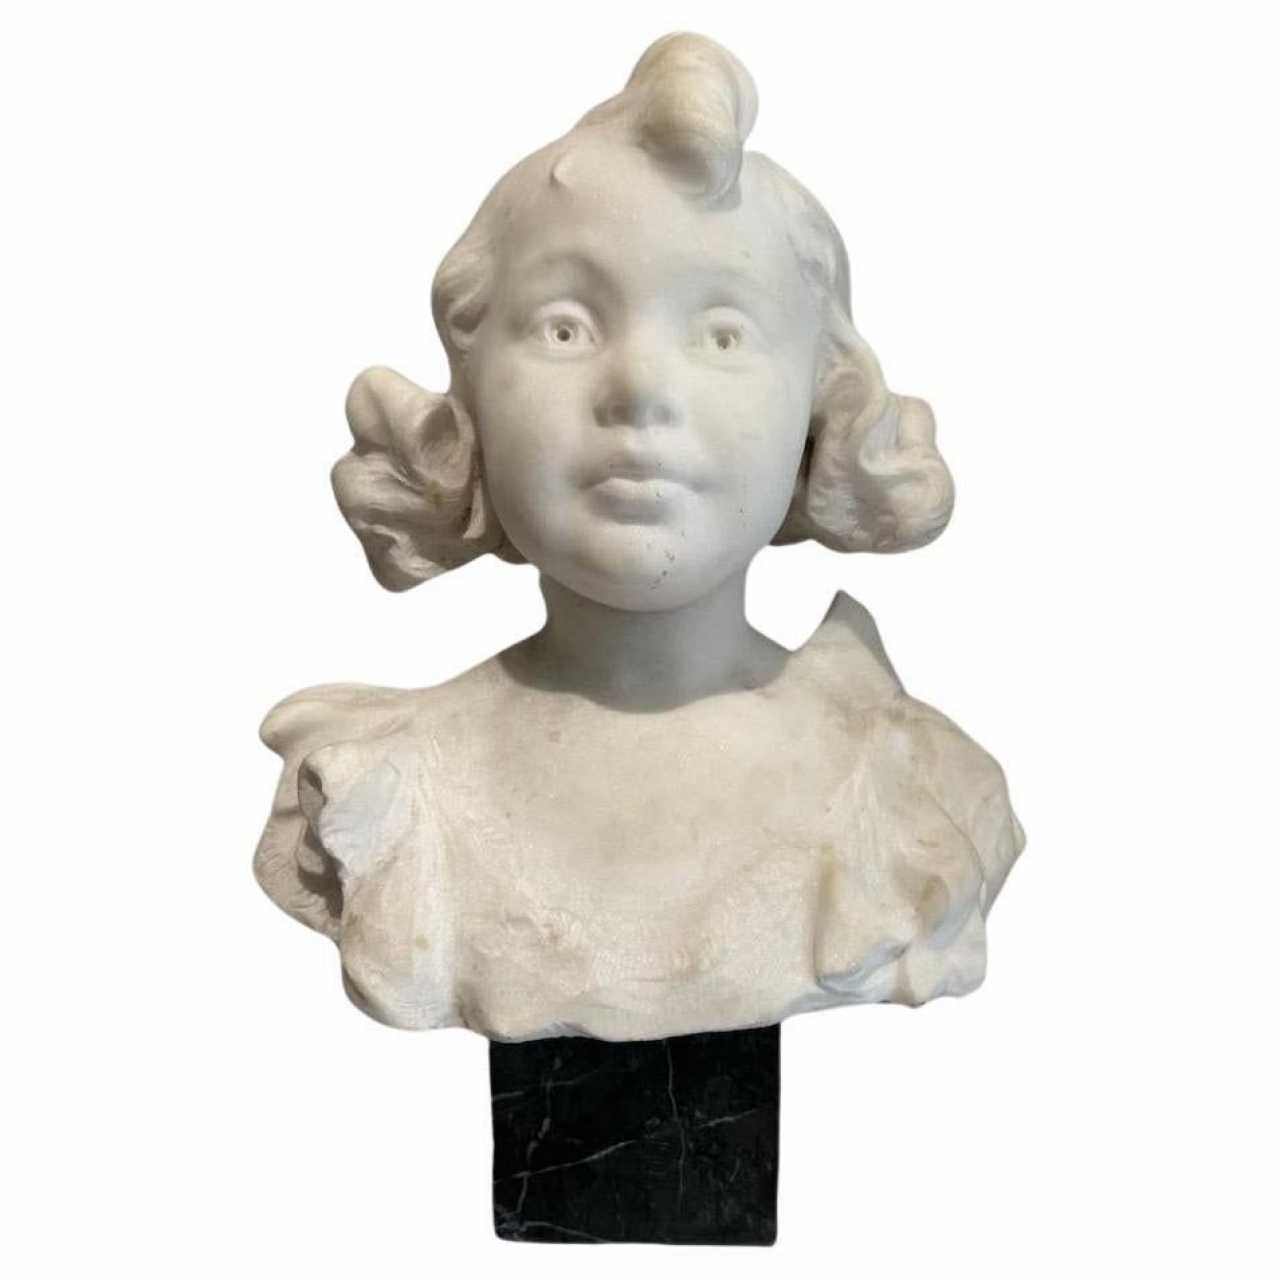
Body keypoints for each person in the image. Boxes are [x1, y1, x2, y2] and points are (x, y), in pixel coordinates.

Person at [254, 33, 1024, 1041]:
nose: (641, 389)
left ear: (819, 407)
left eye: (721, 333)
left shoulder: (908, 798)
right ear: (471, 404)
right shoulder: (380, 797)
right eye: (566, 327)